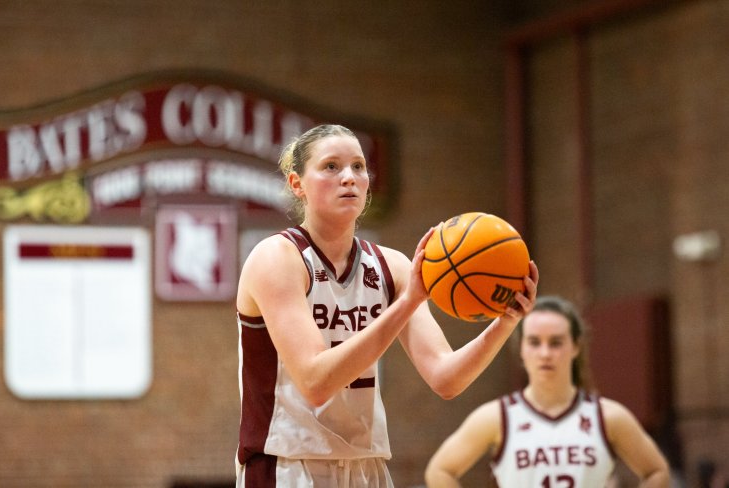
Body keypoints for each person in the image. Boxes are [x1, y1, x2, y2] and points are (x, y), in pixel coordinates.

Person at [235, 124, 539, 487]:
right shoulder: (277, 257)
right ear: (297, 184)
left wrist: (505, 321)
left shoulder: (392, 266)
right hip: (286, 465)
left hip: (367, 467)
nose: (349, 177)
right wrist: (408, 302)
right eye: (331, 166)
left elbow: (446, 378)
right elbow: (315, 382)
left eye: (359, 166)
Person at [425, 295, 671, 488]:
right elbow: (439, 471)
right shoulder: (497, 417)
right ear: (521, 349)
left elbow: (657, 471)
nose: (545, 353)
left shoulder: (608, 416)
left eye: (556, 342)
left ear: (575, 346)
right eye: (534, 342)